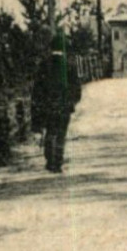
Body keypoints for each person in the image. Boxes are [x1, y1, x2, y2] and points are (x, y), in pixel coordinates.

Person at [32, 31, 80, 172]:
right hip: (64, 105)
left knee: (50, 132)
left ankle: (49, 161)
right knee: (61, 134)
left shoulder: (43, 65)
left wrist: (39, 105)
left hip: (48, 105)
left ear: (51, 48)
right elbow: (76, 88)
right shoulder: (69, 65)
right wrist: (72, 101)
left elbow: (37, 89)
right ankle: (58, 161)